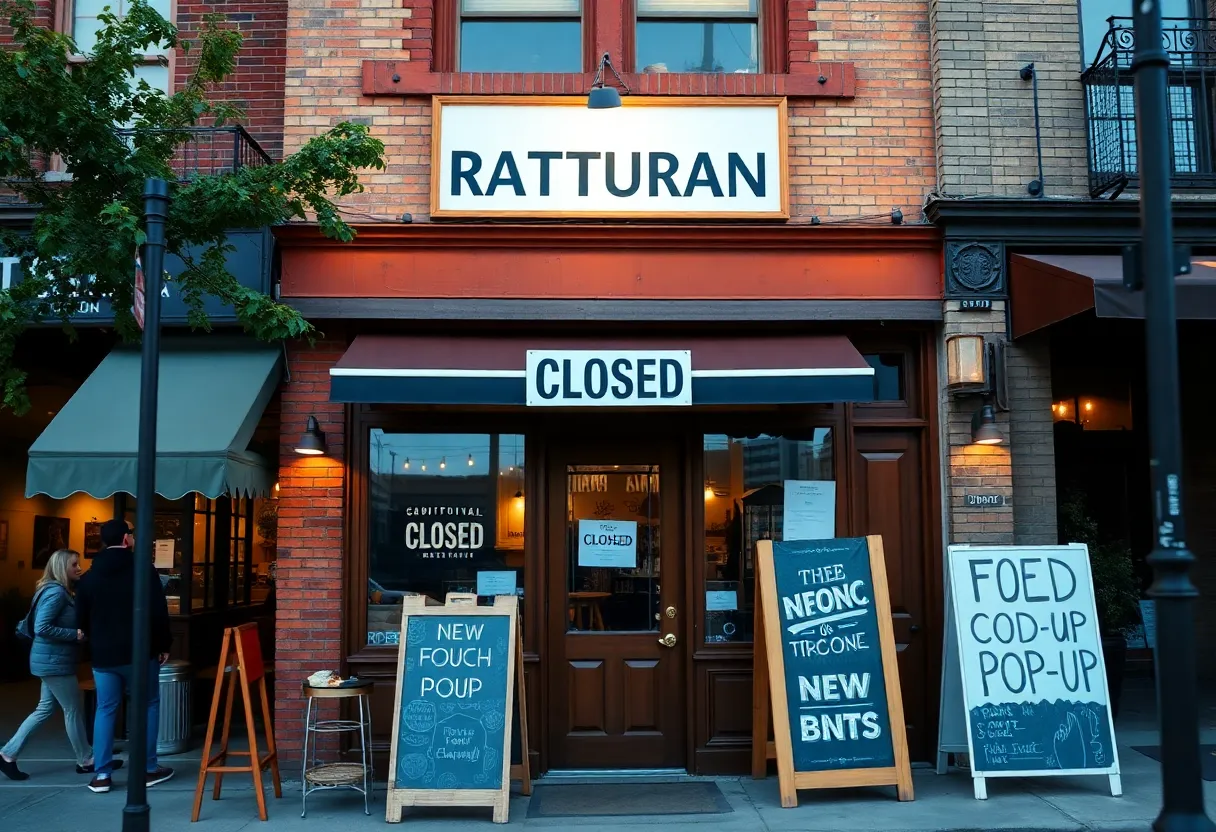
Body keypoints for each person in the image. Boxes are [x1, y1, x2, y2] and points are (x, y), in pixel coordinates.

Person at [75, 519, 174, 794]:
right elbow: (158, 611)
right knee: (148, 704)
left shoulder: (89, 577)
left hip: (104, 655)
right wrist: (164, 643)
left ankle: (102, 774)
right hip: (140, 652)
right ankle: (148, 767)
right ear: (127, 539)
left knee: (105, 709)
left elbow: (80, 617)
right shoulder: (143, 570)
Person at [0, 549, 112, 780]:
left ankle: (8, 755)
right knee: (72, 710)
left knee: (44, 709)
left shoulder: (54, 590)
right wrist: (75, 634)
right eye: (74, 565)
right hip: (54, 663)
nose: (79, 568)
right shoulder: (56, 593)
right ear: (62, 568)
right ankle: (86, 759)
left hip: (49, 660)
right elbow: (42, 627)